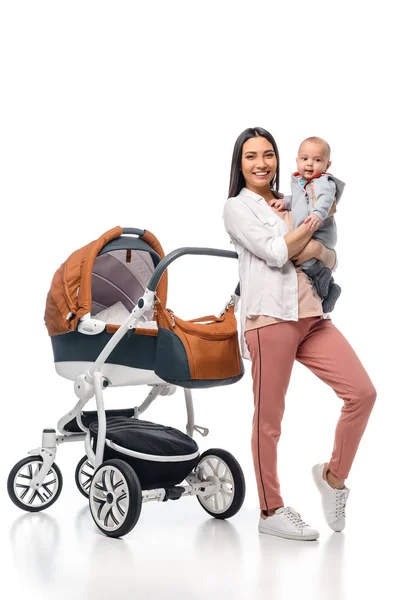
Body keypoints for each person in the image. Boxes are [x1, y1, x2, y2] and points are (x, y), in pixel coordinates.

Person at [223, 127, 376, 541]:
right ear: (240, 164)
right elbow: (276, 253)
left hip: (312, 317)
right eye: (251, 156)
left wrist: (314, 247)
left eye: (268, 154)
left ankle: (333, 478)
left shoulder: (294, 199)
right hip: (270, 319)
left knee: (362, 393)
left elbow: (329, 256)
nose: (261, 163)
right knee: (269, 422)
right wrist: (308, 241)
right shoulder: (238, 208)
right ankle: (270, 509)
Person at [270, 137, 345, 313]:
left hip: (321, 231)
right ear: (297, 160)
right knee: (305, 259)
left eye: (317, 160)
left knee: (306, 260)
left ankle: (326, 288)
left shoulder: (323, 182)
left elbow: (326, 200)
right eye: (305, 159)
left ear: (327, 165)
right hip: (310, 230)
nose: (310, 164)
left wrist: (318, 214)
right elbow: (298, 200)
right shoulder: (300, 181)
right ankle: (330, 286)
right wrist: (285, 202)